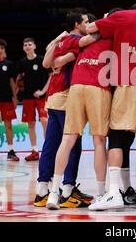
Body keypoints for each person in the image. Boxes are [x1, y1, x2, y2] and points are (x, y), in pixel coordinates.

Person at [86, 0, 136, 211]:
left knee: (117, 137)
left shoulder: (123, 16)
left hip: (128, 83)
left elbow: (90, 27)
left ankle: (113, 194)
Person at [46, 13, 112, 210]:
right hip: (97, 85)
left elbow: (52, 62)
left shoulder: (75, 41)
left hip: (75, 86)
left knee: (67, 140)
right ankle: (101, 194)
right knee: (99, 140)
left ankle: (53, 193)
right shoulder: (108, 37)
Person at [34, 9, 93, 208]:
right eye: (85, 21)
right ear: (77, 24)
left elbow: (45, 62)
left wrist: (58, 56)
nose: (88, 24)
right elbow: (54, 62)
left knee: (51, 144)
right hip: (67, 97)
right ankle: (68, 190)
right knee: (72, 145)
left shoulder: (59, 40)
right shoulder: (75, 40)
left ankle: (42, 190)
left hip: (53, 97)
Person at [17, 37, 51, 161]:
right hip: (27, 97)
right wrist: (15, 94)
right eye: (25, 45)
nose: (27, 46)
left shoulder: (42, 60)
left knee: (44, 121)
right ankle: (35, 151)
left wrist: (43, 91)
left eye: (29, 44)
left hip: (41, 97)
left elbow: (51, 76)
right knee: (30, 124)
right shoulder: (22, 62)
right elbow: (19, 79)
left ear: (34, 46)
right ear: (23, 48)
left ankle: (48, 150)